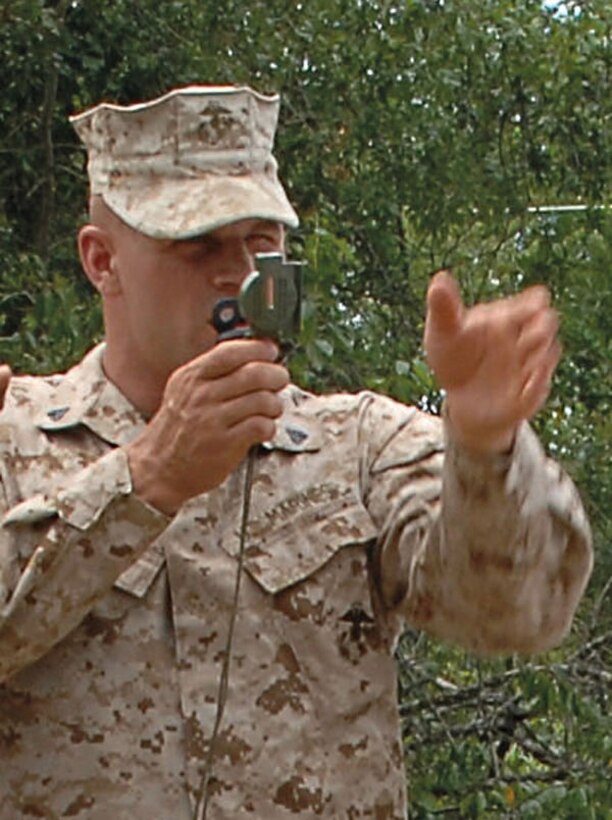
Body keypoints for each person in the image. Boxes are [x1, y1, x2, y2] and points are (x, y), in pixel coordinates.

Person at [0, 85, 592, 820]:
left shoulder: (357, 446)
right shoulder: (11, 434)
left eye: (262, 241)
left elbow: (516, 615)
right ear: (102, 261)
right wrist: (144, 481)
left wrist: (486, 442)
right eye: (199, 243)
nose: (240, 274)